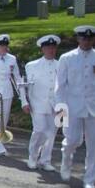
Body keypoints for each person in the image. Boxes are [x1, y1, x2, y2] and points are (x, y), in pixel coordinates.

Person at [56, 25, 95, 188]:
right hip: (72, 106)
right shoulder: (67, 58)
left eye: (89, 39)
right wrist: (60, 111)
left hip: (94, 106)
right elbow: (60, 86)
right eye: (83, 38)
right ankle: (66, 158)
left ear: (94, 39)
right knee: (72, 140)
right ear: (78, 39)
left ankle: (90, 179)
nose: (86, 41)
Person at [23, 34, 61, 171]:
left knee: (52, 133)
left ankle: (45, 160)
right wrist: (24, 102)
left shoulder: (62, 65)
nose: (51, 50)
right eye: (48, 48)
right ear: (42, 49)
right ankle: (33, 157)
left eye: (53, 47)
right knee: (39, 130)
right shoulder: (32, 65)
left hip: (58, 104)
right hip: (38, 102)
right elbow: (24, 85)